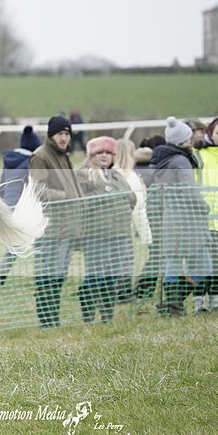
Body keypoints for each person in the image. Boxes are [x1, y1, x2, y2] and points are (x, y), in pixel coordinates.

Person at [148, 117, 212, 316]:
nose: (192, 139)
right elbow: (190, 191)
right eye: (188, 136)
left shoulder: (162, 160)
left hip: (169, 218)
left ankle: (172, 306)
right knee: (205, 265)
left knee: (173, 262)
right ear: (182, 139)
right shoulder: (181, 160)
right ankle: (176, 302)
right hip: (188, 220)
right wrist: (204, 206)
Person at [28, 116, 84, 328]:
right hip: (52, 229)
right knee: (47, 278)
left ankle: (54, 319)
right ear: (51, 135)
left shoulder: (63, 156)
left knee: (59, 277)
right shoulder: (41, 156)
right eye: (60, 134)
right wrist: (63, 196)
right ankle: (47, 321)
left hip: (67, 228)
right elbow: (37, 189)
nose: (64, 138)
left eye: (67, 134)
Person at [75, 136, 136, 323]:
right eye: (99, 152)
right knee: (94, 276)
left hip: (119, 235)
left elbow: (131, 198)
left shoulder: (116, 175)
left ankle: (106, 316)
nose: (104, 156)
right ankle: (88, 316)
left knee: (111, 277)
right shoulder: (82, 174)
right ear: (91, 155)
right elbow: (76, 201)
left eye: (108, 153)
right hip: (95, 236)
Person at [0, 125, 42, 286]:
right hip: (22, 208)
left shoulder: (9, 161)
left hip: (7, 206)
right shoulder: (31, 163)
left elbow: (2, 186)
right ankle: (40, 276)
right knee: (32, 242)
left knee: (15, 244)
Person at [194, 116, 218, 313]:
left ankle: (215, 301)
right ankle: (199, 302)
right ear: (210, 135)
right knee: (201, 263)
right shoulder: (199, 155)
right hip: (204, 220)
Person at [113, 138, 151, 304]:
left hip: (118, 223)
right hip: (123, 224)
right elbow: (137, 204)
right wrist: (144, 231)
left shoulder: (115, 172)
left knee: (119, 259)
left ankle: (118, 292)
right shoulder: (127, 175)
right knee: (125, 259)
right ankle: (123, 294)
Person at [132, 135, 167, 303]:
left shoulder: (135, 166)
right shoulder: (154, 169)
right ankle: (142, 290)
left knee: (156, 255)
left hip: (145, 216)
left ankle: (143, 290)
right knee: (157, 256)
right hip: (153, 216)